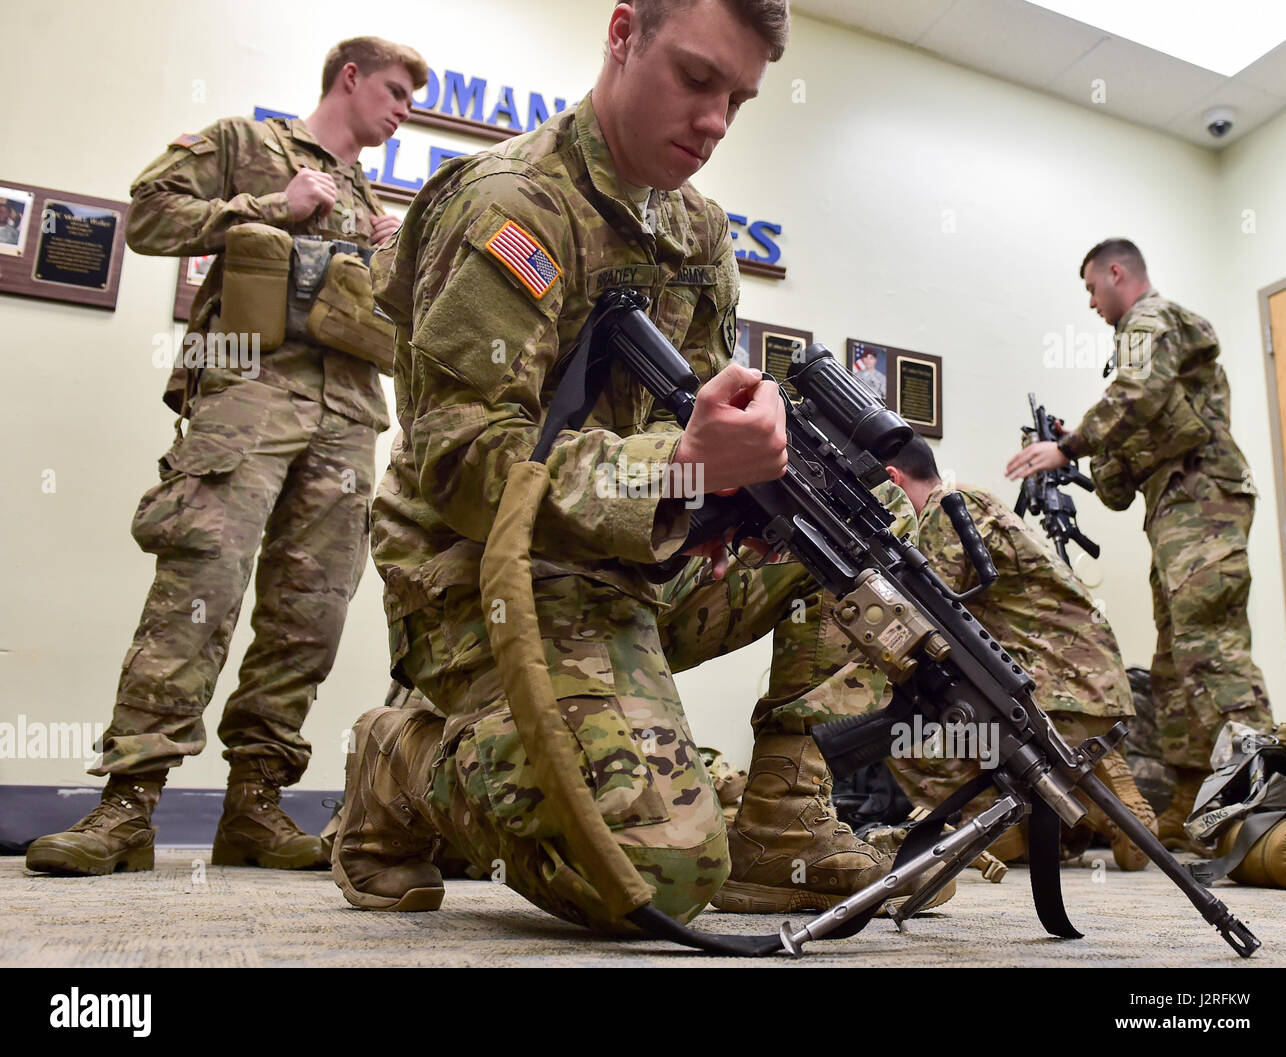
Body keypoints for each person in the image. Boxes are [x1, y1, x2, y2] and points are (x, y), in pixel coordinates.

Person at [332, 0, 943, 931]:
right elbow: (459, 462)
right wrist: (680, 469)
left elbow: (690, 415)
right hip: (483, 573)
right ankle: (403, 754)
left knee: (863, 528)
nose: (714, 121)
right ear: (623, 35)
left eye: (737, 98)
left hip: (634, 561)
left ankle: (784, 816)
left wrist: (744, 472)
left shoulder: (701, 233)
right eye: (697, 79)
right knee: (656, 874)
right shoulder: (508, 205)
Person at [26, 37, 427, 877]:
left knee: (309, 613)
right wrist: (272, 204)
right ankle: (126, 807)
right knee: (197, 587)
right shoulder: (251, 144)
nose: (402, 112)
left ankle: (256, 806)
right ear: (349, 78)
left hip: (349, 414)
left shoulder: (368, 197)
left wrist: (396, 255)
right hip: (245, 397)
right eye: (393, 92)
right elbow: (148, 214)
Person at [1007, 238, 1272, 849]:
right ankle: (1188, 800)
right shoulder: (1143, 339)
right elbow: (1120, 486)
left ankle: (1265, 791)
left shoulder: (1147, 320)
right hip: (1176, 511)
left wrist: (1068, 447)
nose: (1093, 305)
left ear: (1116, 274)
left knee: (1210, 642)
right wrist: (1084, 449)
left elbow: (1141, 391)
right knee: (1176, 659)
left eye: (1092, 290)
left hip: (1204, 499)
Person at [886, 436, 1158, 869]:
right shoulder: (971, 501)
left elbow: (924, 607)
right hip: (1082, 678)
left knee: (899, 709)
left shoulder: (945, 508)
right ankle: (1094, 791)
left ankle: (992, 818)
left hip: (1048, 678)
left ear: (892, 481)